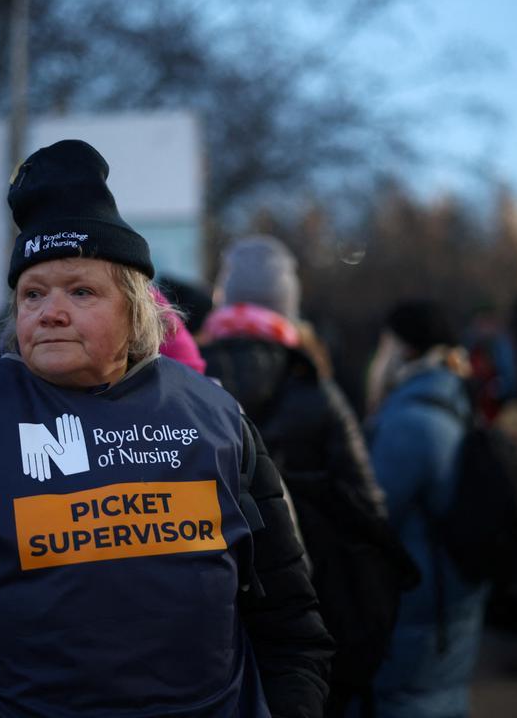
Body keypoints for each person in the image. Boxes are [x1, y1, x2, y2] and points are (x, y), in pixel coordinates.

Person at [0, 140, 332, 717]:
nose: (50, 312)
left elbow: (292, 630)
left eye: (80, 291)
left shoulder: (217, 420)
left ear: (136, 311)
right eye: (33, 294)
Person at [200, 235, 398, 716]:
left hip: (212, 596)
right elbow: (370, 504)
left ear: (222, 298)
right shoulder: (316, 385)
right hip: (309, 593)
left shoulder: (190, 379)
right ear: (289, 304)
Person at [366, 299, 486, 718]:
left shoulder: (410, 422)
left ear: (406, 350)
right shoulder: (452, 400)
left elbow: (375, 517)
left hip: (419, 606)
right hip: (449, 597)